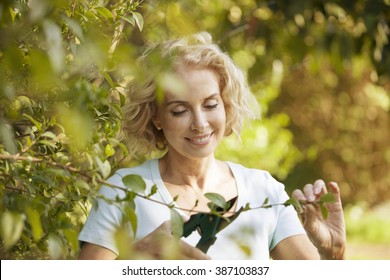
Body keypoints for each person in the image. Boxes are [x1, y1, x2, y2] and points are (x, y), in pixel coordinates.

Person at [78, 32, 346, 260]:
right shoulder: (122, 191)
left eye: (210, 105)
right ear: (157, 117)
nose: (200, 124)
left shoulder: (264, 191)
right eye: (180, 110)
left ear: (226, 105)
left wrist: (335, 251)